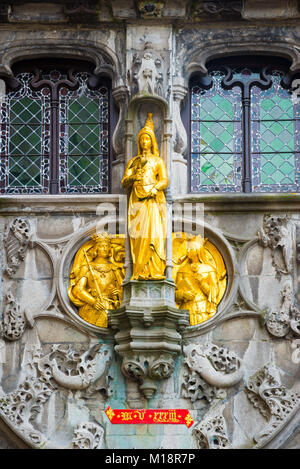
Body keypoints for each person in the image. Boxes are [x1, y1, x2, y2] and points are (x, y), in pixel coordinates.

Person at [122, 113, 168, 280]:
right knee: (139, 236)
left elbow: (164, 180)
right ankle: (139, 271)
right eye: (141, 139)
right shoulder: (133, 162)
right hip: (137, 202)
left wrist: (154, 189)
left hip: (153, 201)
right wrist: (134, 177)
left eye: (147, 139)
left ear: (152, 141)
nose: (144, 142)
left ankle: (155, 270)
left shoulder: (157, 161)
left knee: (154, 234)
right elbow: (124, 181)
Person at [68, 233, 123, 327]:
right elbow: (78, 290)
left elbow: (123, 290)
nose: (105, 249)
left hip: (111, 308)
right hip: (92, 308)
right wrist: (93, 302)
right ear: (96, 248)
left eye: (107, 246)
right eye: (102, 246)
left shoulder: (115, 269)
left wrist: (116, 293)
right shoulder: (87, 267)